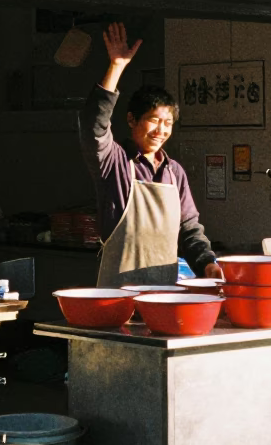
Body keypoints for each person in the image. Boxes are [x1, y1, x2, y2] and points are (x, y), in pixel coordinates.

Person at [79, 22, 225, 287]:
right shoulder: (114, 162)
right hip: (118, 293)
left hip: (164, 293)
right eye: (154, 120)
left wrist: (207, 263)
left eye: (168, 123)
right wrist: (117, 66)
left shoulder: (174, 172)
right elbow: (94, 125)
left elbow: (189, 229)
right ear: (131, 120)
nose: (161, 130)